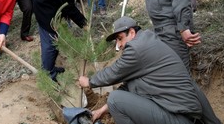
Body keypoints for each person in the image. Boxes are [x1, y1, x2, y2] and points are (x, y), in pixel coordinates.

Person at [132, 0, 221, 124]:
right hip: (165, 31)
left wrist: (183, 27)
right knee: (173, 78)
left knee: (183, 81)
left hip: (172, 31)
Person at [79, 16, 219, 124]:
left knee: (115, 100)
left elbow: (114, 73)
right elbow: (128, 87)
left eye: (120, 39)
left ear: (132, 32)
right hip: (185, 116)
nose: (119, 45)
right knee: (118, 97)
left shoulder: (136, 48)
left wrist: (90, 81)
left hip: (179, 117)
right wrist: (101, 111)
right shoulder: (149, 44)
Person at [33, 0, 93, 81]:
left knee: (56, 37)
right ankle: (48, 74)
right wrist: (84, 23)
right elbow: (69, 7)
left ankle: (51, 67)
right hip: (44, 5)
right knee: (51, 40)